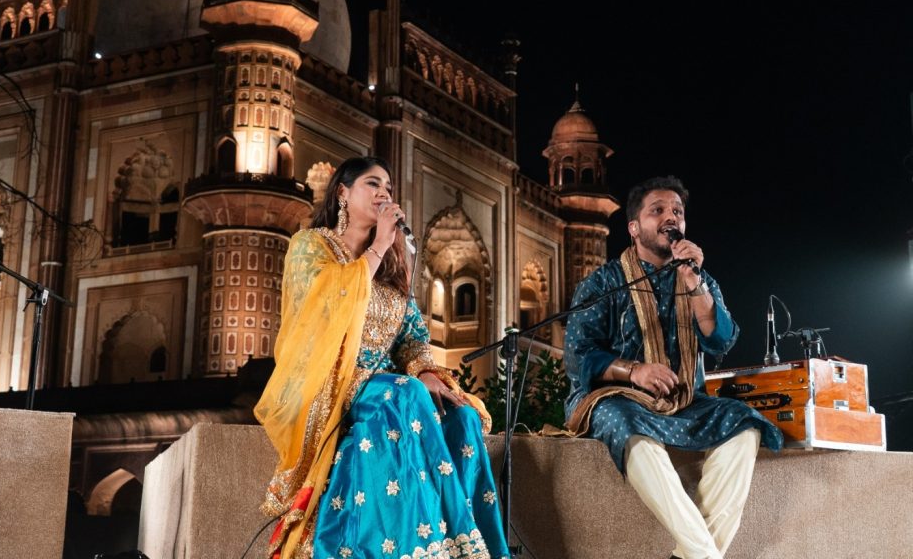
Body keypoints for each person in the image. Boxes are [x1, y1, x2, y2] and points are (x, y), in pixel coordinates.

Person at [255, 156, 507, 559]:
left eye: (388, 187)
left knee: (462, 415)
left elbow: (413, 338)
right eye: (373, 184)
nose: (384, 193)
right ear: (342, 192)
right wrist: (378, 246)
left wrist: (426, 371)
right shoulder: (311, 247)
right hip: (330, 383)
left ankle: (474, 546)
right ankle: (433, 547)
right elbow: (323, 312)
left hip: (387, 384)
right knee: (404, 395)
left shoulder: (392, 270)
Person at [563, 176, 783, 559]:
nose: (671, 218)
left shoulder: (698, 280)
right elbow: (578, 355)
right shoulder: (604, 282)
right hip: (616, 398)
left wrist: (693, 283)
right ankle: (704, 555)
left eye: (677, 212)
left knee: (744, 423)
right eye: (658, 210)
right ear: (634, 228)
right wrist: (635, 371)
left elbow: (722, 341)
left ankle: (692, 555)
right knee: (625, 423)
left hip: (684, 402)